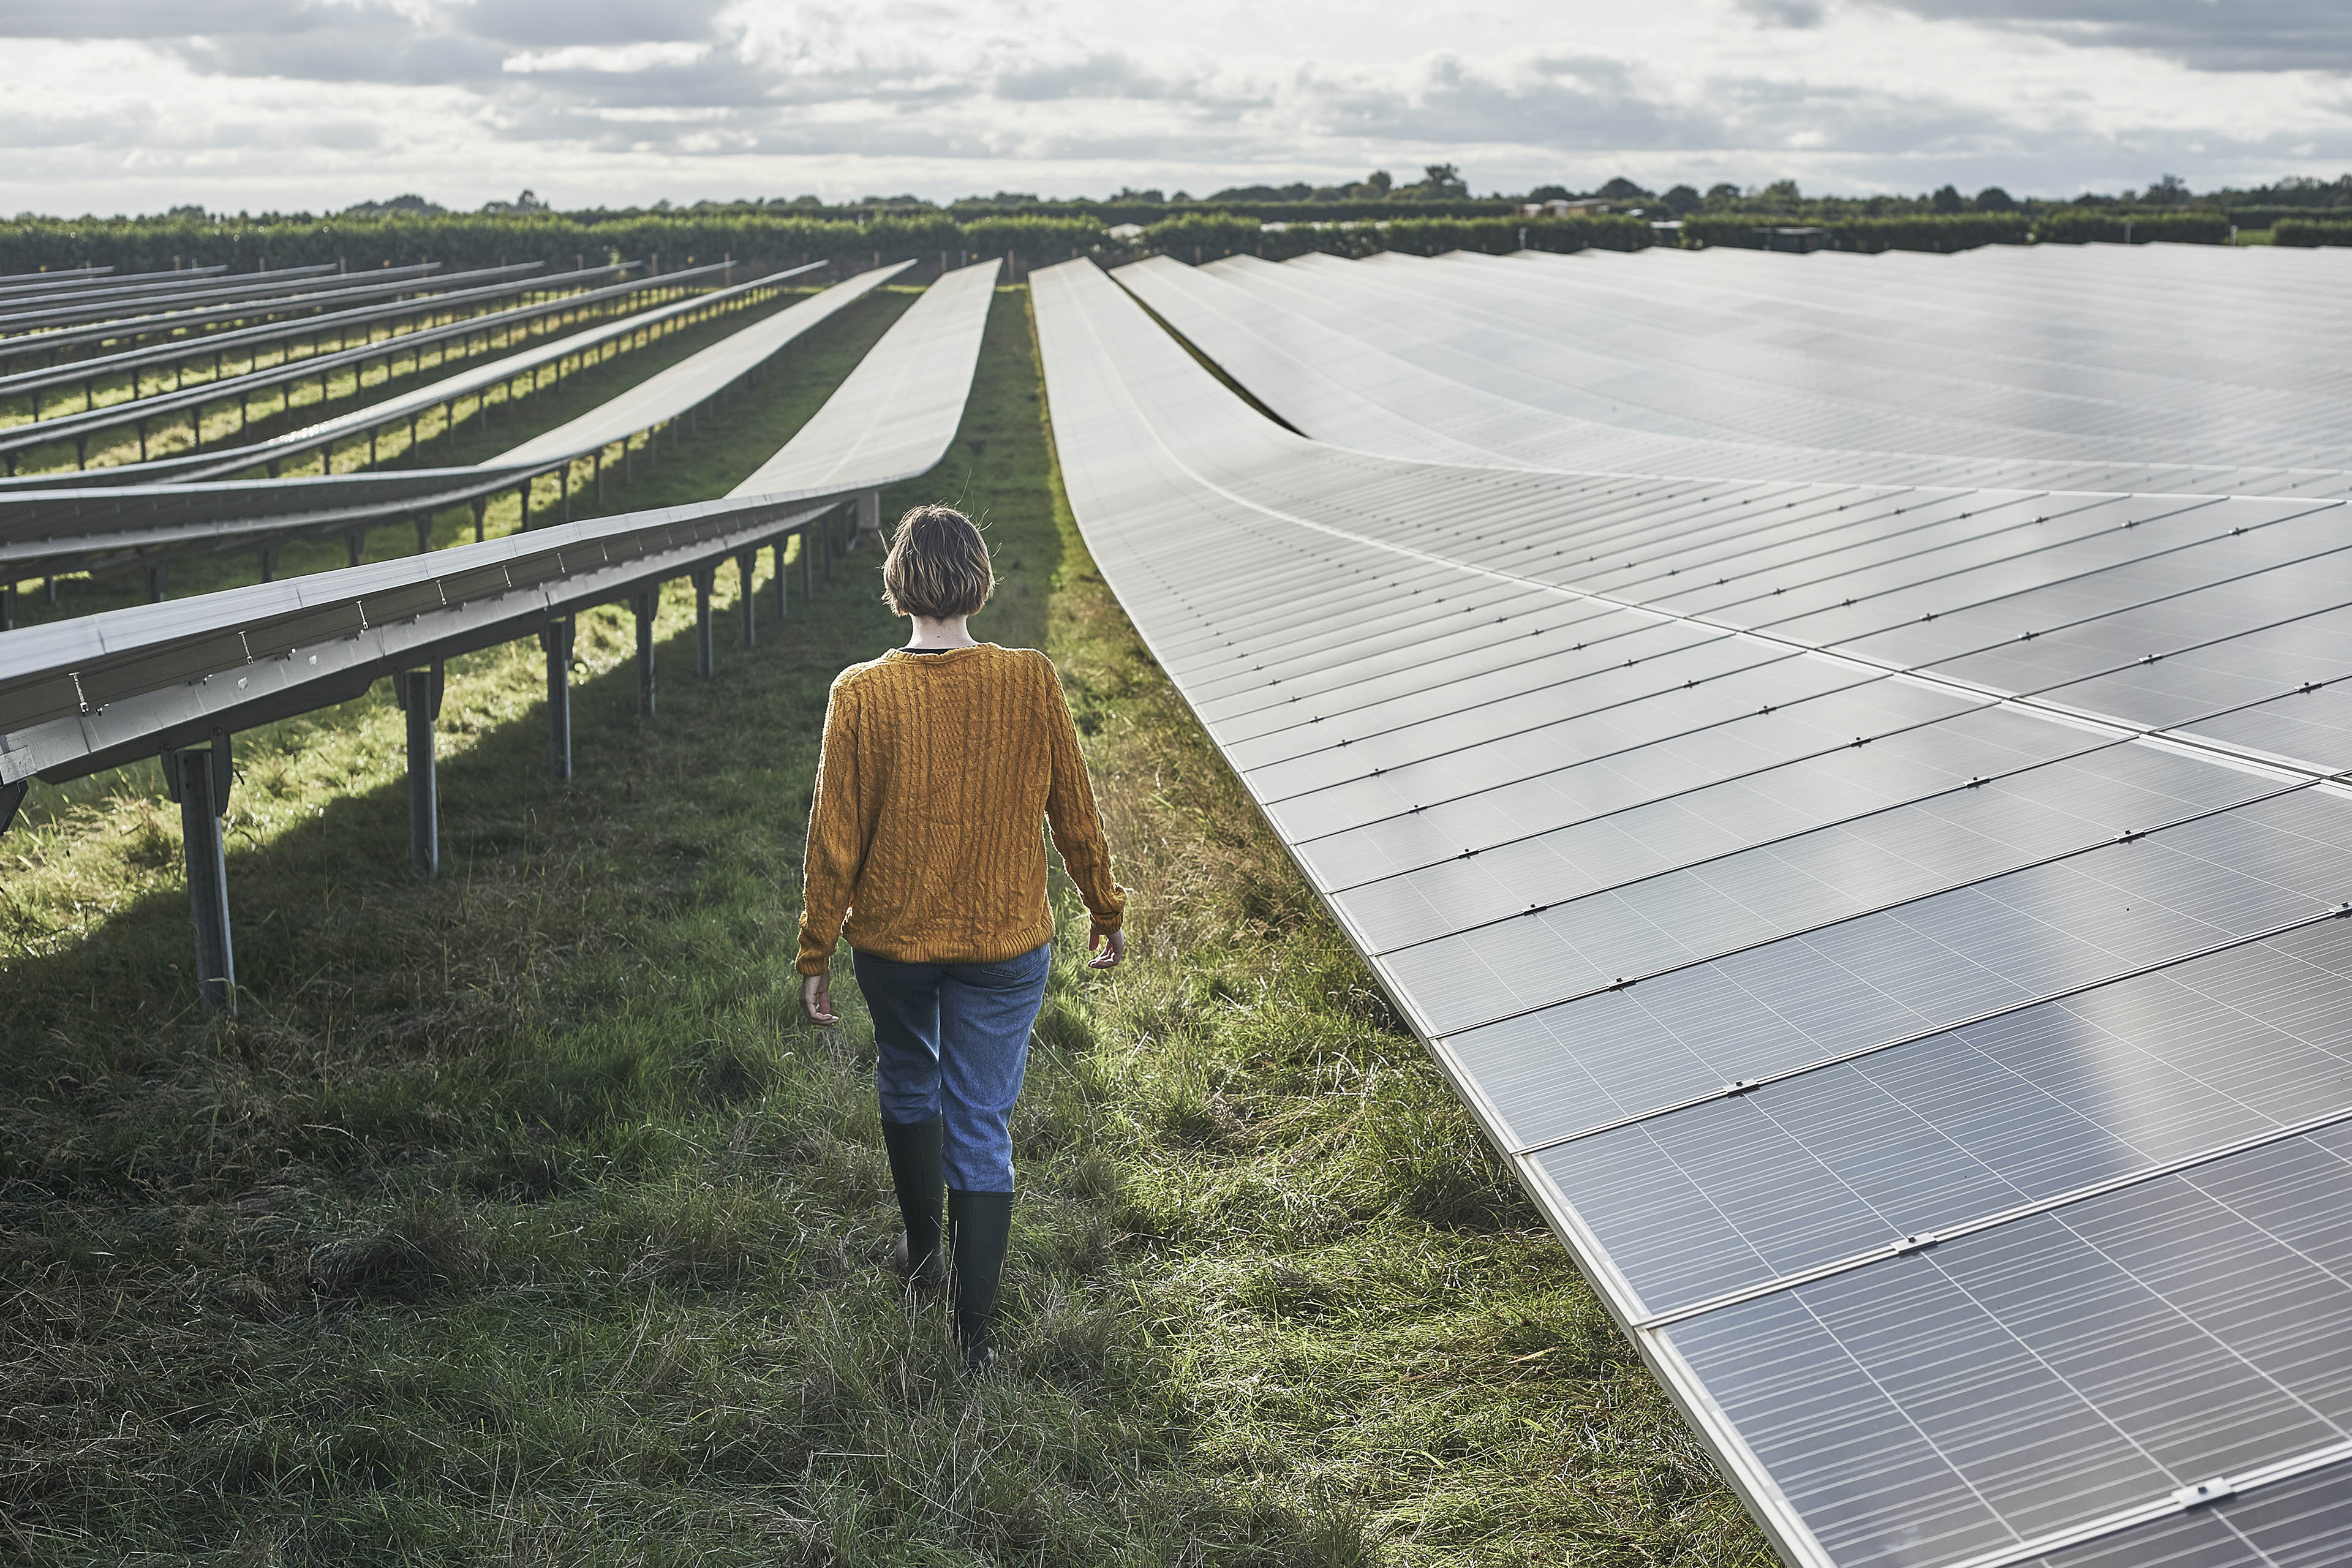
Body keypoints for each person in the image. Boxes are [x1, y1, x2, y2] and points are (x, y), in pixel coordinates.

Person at [797, 503, 1128, 1373]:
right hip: (1005, 943)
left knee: (908, 1077)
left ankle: (923, 1253)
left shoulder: (860, 693)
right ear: (980, 579)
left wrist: (816, 950)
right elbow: (1074, 811)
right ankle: (973, 1343)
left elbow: (833, 838)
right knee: (981, 1119)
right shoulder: (1031, 680)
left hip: (895, 946)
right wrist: (1104, 901)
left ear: (897, 583)